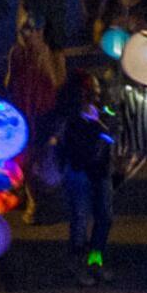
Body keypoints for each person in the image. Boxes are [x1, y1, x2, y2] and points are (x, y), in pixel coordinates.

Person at [50, 70, 119, 280]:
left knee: (104, 218)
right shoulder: (69, 119)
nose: (97, 94)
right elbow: (70, 149)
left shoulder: (101, 113)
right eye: (91, 90)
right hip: (79, 173)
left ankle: (95, 260)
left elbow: (108, 141)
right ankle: (77, 263)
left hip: (100, 172)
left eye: (97, 89)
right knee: (79, 220)